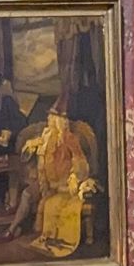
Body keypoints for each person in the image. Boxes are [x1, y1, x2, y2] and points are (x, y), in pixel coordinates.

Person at [27, 105, 95, 256]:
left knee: (58, 204)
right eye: (49, 116)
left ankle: (64, 239)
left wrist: (74, 176)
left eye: (52, 117)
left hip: (66, 184)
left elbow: (80, 160)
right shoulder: (48, 136)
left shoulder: (69, 138)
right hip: (52, 184)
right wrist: (31, 145)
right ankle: (52, 237)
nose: (49, 119)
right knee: (49, 202)